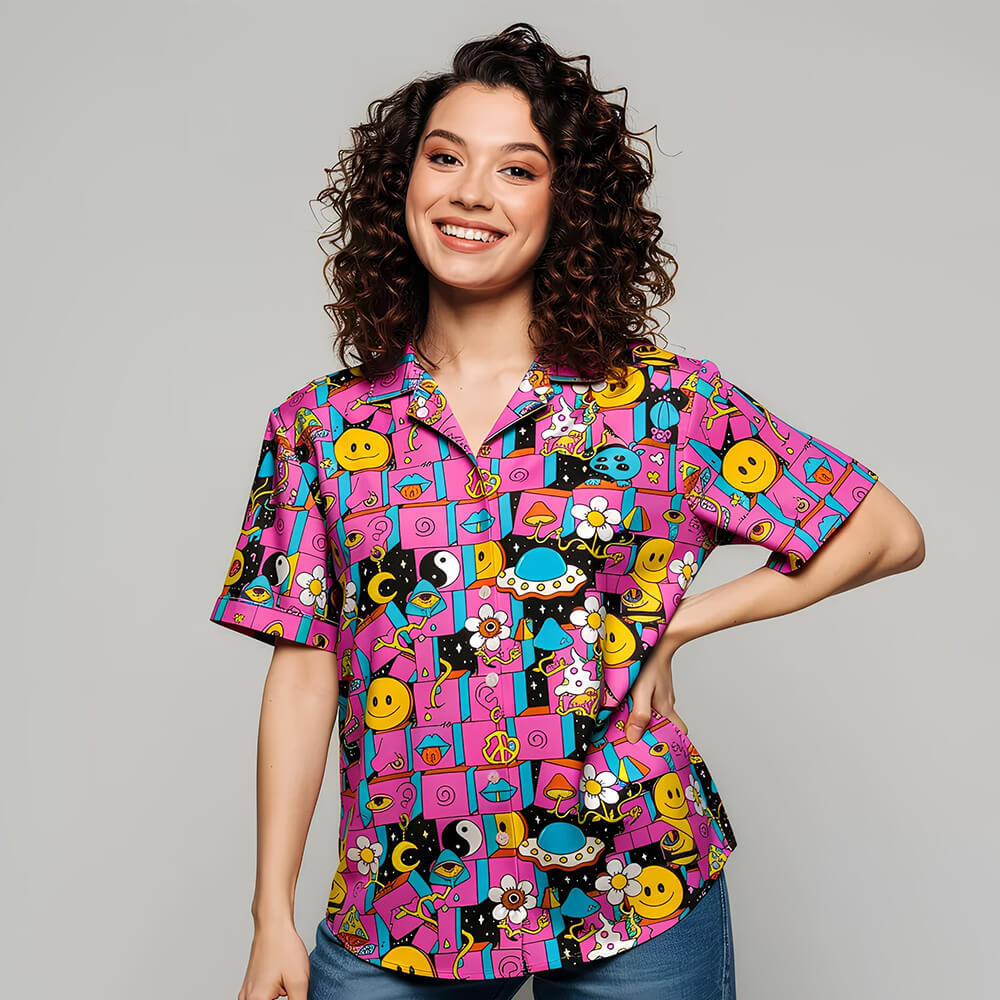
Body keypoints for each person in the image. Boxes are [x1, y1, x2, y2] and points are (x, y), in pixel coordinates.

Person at [208, 22, 924, 1000]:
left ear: (566, 205)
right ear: (403, 184)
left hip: (637, 885)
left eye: (518, 168)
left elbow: (885, 531)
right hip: (402, 907)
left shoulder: (662, 406)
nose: (470, 192)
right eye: (446, 156)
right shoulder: (319, 427)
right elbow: (301, 669)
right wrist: (270, 917)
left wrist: (680, 621)